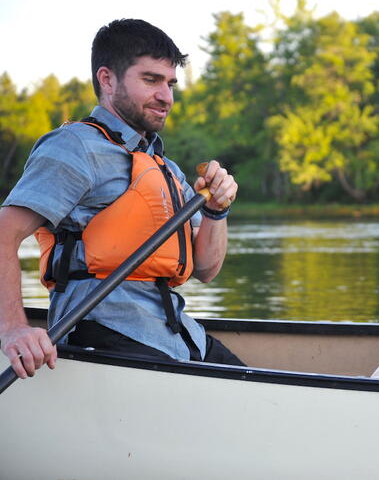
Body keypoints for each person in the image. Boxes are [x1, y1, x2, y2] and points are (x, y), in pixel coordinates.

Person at [0, 19, 244, 379]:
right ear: (108, 79)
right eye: (151, 80)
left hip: (174, 331)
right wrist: (14, 329)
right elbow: (4, 233)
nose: (167, 96)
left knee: (262, 386)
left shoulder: (166, 167)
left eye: (170, 83)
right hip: (104, 331)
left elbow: (206, 269)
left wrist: (215, 211)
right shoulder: (76, 148)